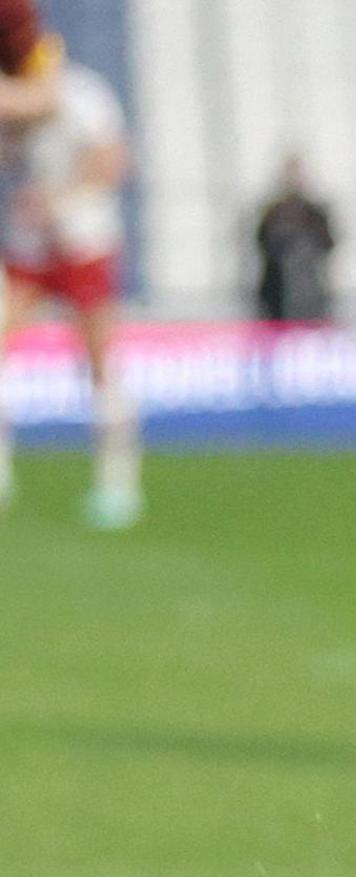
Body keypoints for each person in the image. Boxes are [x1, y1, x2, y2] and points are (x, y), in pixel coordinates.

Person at [0, 44, 136, 528]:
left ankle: (117, 481)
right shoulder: (16, 101)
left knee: (99, 364)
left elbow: (112, 164)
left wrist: (56, 199)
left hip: (85, 240)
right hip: (31, 247)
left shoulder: (87, 97)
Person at [253, 154, 335, 323]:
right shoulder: (273, 212)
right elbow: (262, 243)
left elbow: (328, 244)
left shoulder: (315, 213)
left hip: (312, 296)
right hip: (276, 299)